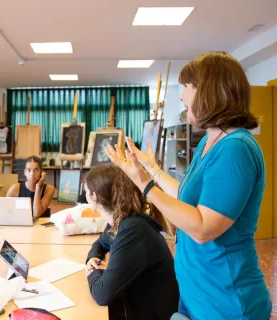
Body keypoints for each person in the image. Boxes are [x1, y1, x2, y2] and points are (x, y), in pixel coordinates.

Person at [105, 51, 272, 320]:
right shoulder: (209, 141)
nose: (182, 97)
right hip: (196, 293)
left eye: (187, 88)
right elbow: (186, 197)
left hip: (225, 304)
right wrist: (154, 170)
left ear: (210, 91)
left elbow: (203, 228)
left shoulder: (235, 149)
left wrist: (145, 185)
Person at [84, 164, 179, 319]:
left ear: (94, 197)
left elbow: (102, 295)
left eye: (86, 191)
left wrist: (92, 272)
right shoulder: (123, 220)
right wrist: (93, 258)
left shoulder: (132, 230)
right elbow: (100, 243)